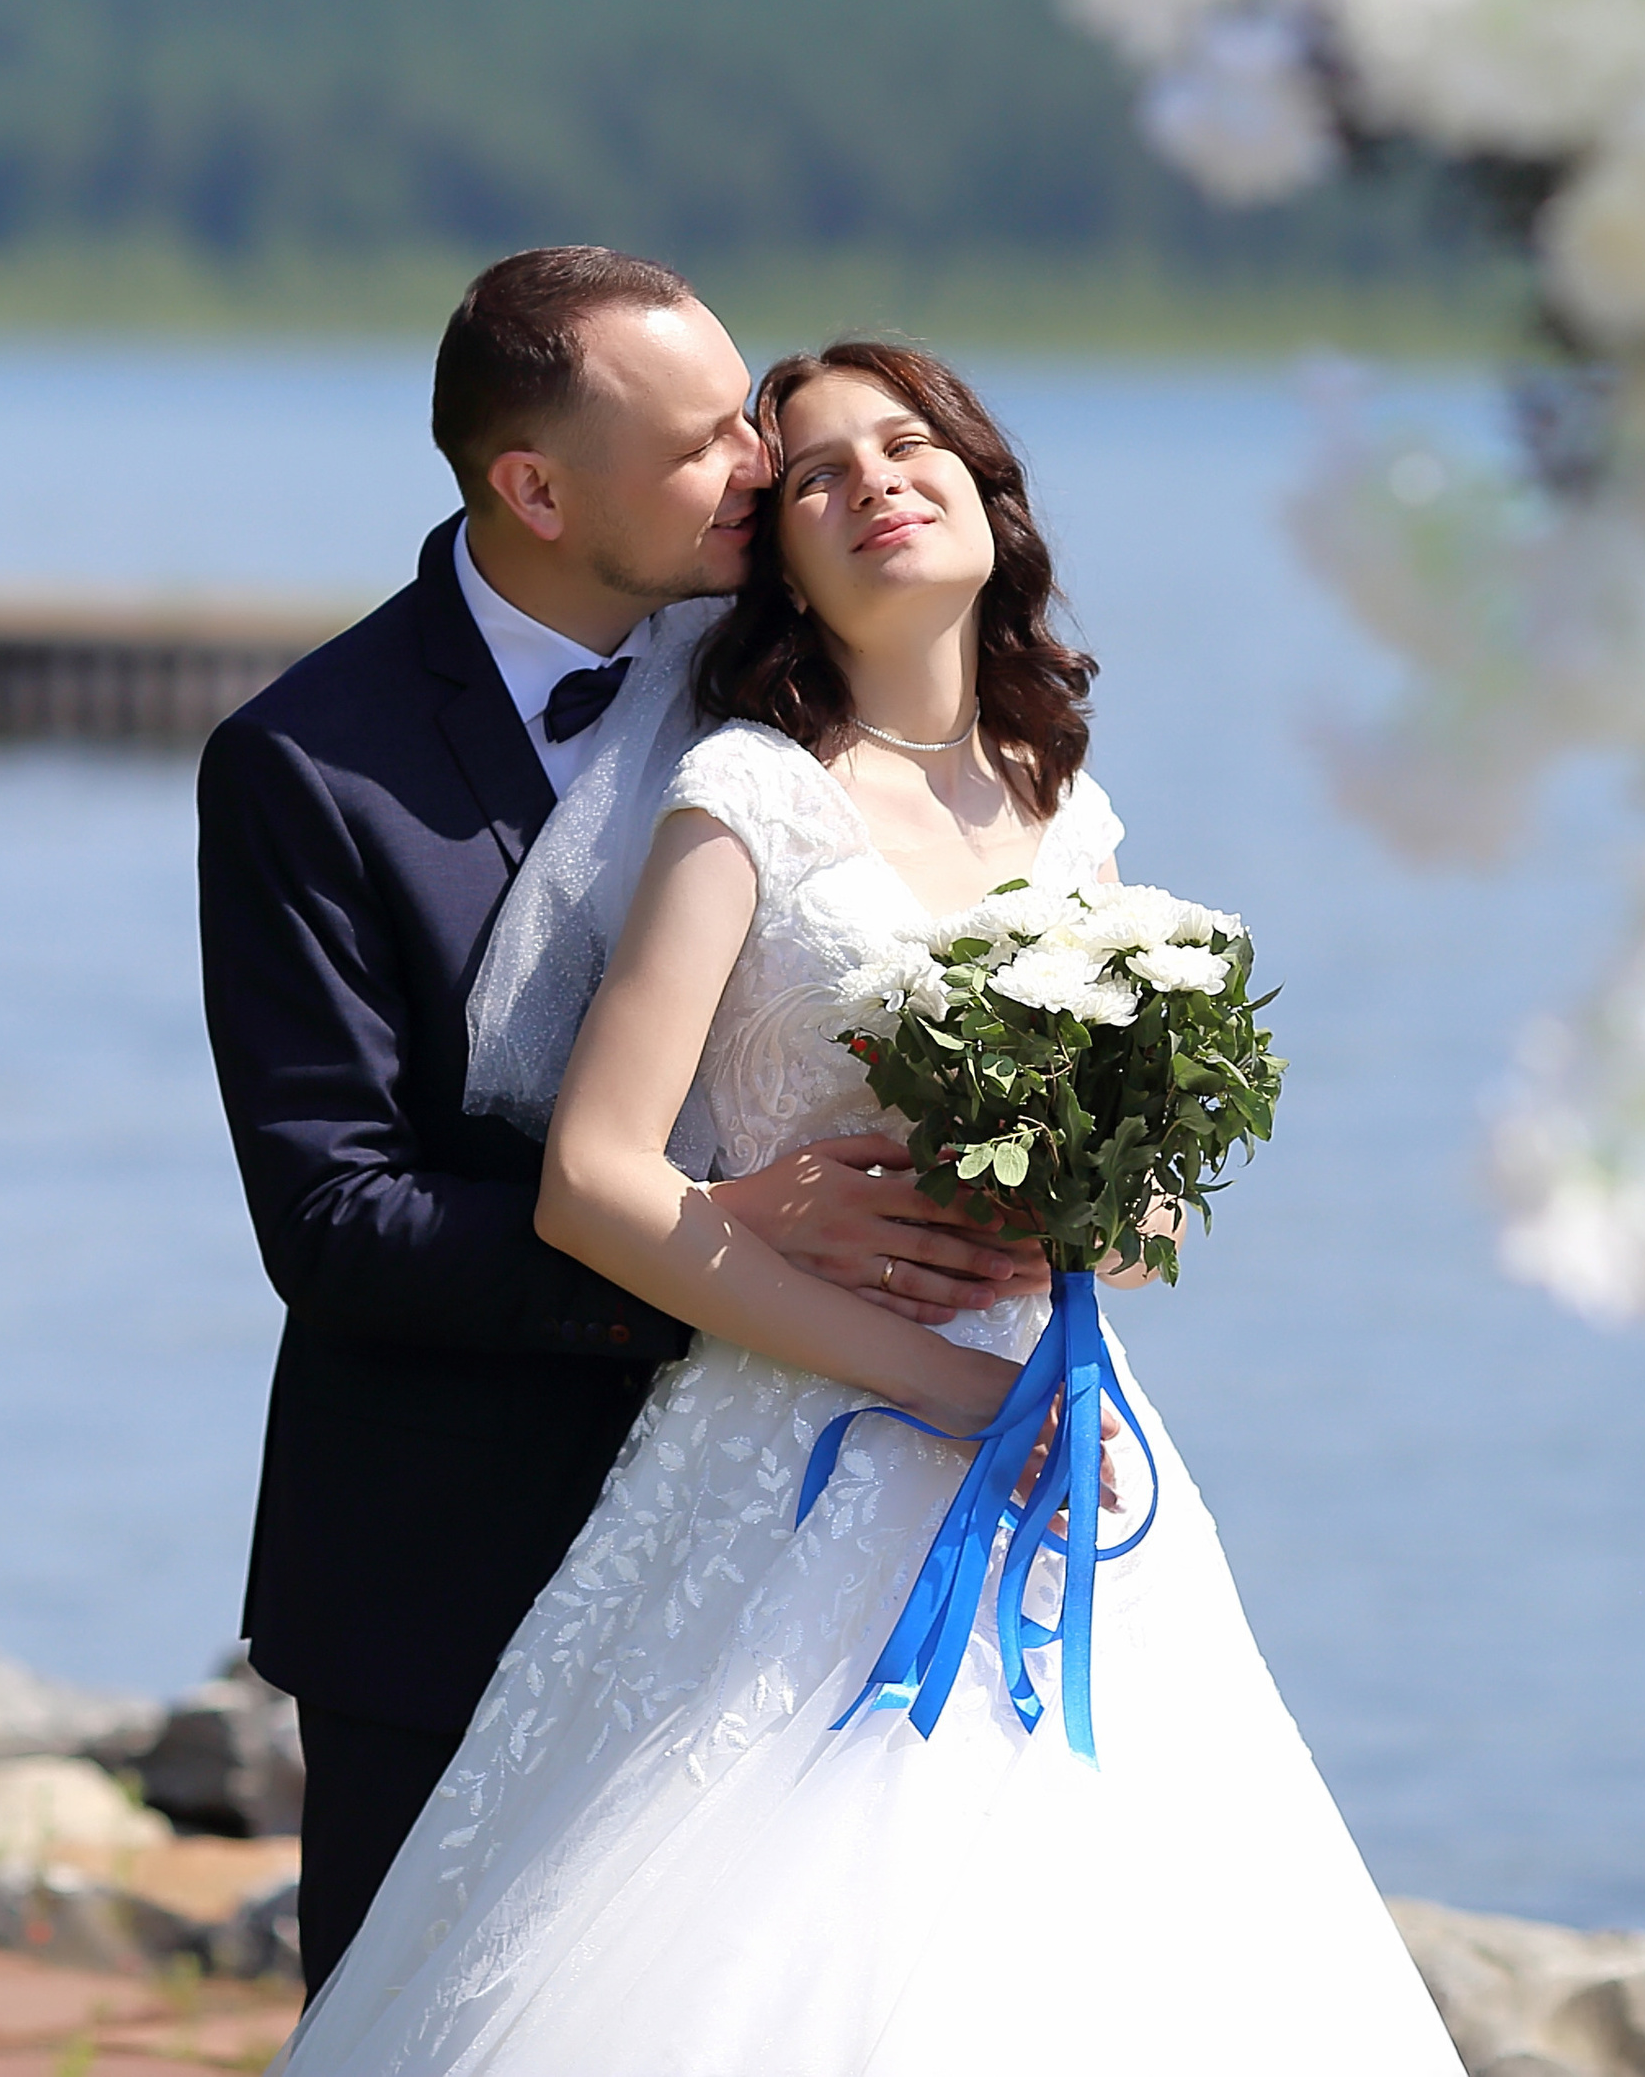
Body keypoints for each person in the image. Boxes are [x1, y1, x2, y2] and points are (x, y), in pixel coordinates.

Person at [271, 340, 1465, 2074]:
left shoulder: (1067, 808)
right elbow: (600, 1185)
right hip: (801, 1457)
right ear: (784, 555)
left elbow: (1142, 1241)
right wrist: (946, 1387)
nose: (872, 482)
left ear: (992, 498)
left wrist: (1107, 1207)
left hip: (1070, 1448)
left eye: (911, 446)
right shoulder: (744, 789)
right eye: (817, 473)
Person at [196, 254, 1046, 1993]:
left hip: (799, 1538)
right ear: (533, 487)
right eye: (704, 443)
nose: (756, 463)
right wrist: (707, 1247)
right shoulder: (307, 765)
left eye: (750, 418)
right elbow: (336, 1221)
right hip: (455, 1557)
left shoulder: (785, 679)